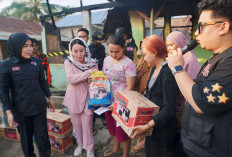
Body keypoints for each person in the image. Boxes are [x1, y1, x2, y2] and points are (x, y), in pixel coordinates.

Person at [166, 0, 232, 156]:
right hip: (197, 143)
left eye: (201, 26)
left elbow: (201, 103)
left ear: (223, 27)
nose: (196, 33)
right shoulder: (217, 57)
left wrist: (177, 68)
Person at [0, 33, 55, 157]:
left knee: (42, 138)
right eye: (25, 46)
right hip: (20, 111)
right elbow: (3, 90)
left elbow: (42, 81)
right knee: (26, 140)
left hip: (39, 107)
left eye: (31, 46)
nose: (30, 49)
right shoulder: (5, 66)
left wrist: (50, 97)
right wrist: (8, 112)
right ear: (16, 46)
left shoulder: (36, 62)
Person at [131, 35, 179, 157]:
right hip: (152, 126)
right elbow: (150, 94)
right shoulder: (154, 68)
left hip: (162, 128)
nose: (143, 58)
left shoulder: (167, 73)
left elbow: (169, 108)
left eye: (145, 54)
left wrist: (147, 126)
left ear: (154, 52)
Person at [166, 31, 201, 157]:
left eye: (171, 45)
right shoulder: (179, 58)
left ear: (181, 43)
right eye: (167, 45)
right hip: (177, 102)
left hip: (184, 105)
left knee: (180, 142)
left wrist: (181, 112)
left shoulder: (189, 59)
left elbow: (189, 88)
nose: (168, 48)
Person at [103, 34, 136, 157]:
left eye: (116, 51)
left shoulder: (128, 64)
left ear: (123, 48)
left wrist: (117, 103)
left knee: (122, 131)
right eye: (110, 51)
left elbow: (130, 87)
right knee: (112, 127)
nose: (113, 54)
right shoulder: (106, 60)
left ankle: (125, 154)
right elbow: (104, 78)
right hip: (107, 101)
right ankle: (116, 149)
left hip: (122, 103)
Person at [63, 38, 97, 157]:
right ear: (71, 51)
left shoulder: (93, 62)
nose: (79, 54)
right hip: (74, 98)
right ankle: (80, 145)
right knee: (77, 125)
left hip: (88, 98)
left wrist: (88, 75)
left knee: (87, 125)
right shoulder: (69, 62)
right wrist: (88, 73)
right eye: (75, 51)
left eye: (81, 51)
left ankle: (90, 148)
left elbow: (96, 79)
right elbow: (71, 79)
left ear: (86, 49)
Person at [132, 40, 151, 153]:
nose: (142, 50)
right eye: (141, 48)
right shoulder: (141, 60)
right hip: (138, 93)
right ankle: (141, 141)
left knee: (145, 119)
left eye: (144, 48)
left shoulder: (152, 63)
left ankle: (142, 143)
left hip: (145, 95)